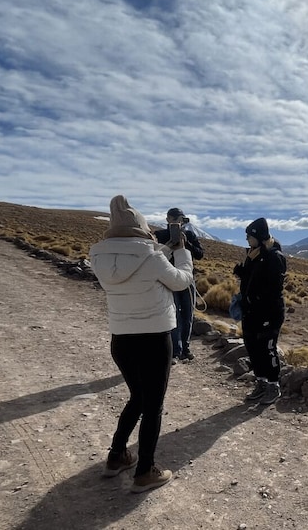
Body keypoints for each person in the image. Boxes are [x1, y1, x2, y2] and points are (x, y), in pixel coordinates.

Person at [89, 195, 193, 493]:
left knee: (137, 396)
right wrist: (181, 251)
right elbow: (180, 280)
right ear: (140, 227)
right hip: (154, 339)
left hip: (121, 340)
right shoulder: (151, 255)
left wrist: (162, 249)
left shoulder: (100, 255)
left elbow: (133, 264)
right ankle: (145, 471)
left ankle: (116, 456)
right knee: (153, 405)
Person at [233, 217, 287, 405]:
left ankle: (274, 386)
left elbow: (273, 288)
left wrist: (255, 299)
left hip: (269, 312)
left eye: (249, 236)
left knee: (267, 348)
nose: (247, 239)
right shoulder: (253, 255)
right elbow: (253, 279)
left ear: (258, 236)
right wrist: (243, 273)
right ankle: (261, 383)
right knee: (253, 346)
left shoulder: (274, 257)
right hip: (251, 311)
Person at [153, 207, 204, 362]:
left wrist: (186, 243)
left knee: (187, 314)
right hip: (168, 279)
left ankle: (185, 348)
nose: (178, 222)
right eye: (175, 219)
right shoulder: (160, 235)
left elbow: (200, 254)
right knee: (173, 314)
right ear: (168, 219)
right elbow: (155, 255)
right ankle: (176, 350)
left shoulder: (188, 235)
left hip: (187, 279)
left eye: (180, 219)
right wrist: (169, 243)